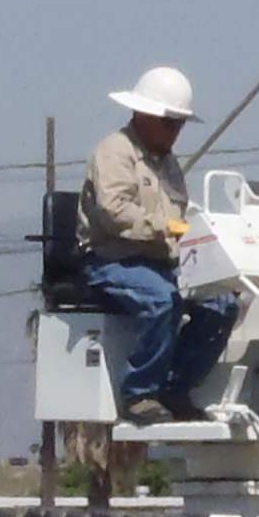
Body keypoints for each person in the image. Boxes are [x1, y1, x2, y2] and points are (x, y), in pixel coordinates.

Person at [78, 64, 241, 423]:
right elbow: (115, 212)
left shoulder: (168, 164)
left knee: (222, 305)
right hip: (111, 261)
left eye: (179, 124)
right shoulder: (115, 152)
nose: (176, 131)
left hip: (161, 264)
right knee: (162, 301)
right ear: (143, 114)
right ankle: (139, 394)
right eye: (170, 122)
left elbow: (178, 221)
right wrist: (165, 227)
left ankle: (174, 388)